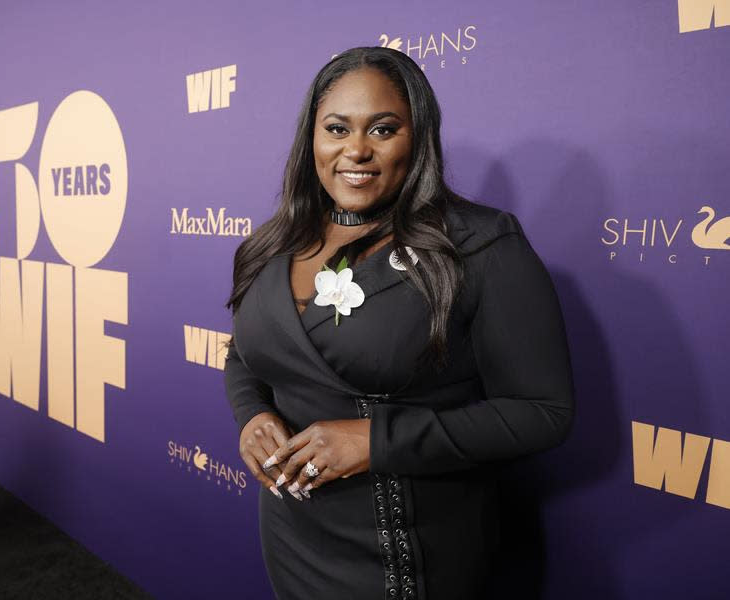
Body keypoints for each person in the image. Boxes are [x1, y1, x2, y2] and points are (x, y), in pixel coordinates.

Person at [223, 46, 574, 600]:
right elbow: (245, 354)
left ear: (419, 137)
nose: (355, 150)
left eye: (383, 129)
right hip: (294, 540)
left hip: (406, 558)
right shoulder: (272, 244)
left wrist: (377, 439)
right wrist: (253, 414)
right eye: (336, 128)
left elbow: (543, 413)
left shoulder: (479, 244)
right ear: (311, 137)